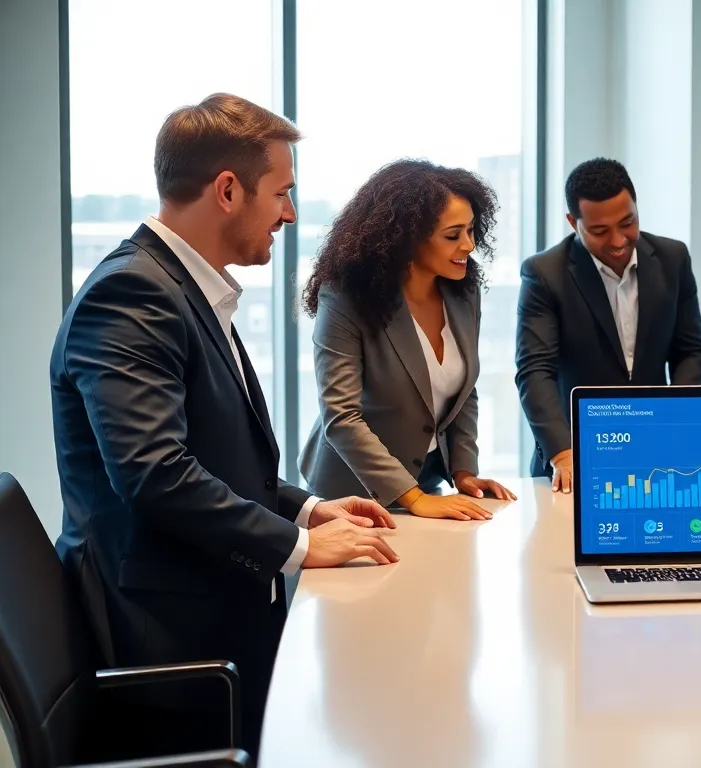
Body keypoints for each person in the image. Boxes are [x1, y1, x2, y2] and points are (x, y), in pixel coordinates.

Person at [49, 94, 398, 756]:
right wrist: (294, 550)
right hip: (172, 649)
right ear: (229, 190)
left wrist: (305, 511)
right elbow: (156, 475)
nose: (290, 214)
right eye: (282, 193)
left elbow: (213, 457)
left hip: (210, 615)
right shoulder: (132, 295)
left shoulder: (182, 289)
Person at [299, 160, 516, 520]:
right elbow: (341, 417)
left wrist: (465, 473)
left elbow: (465, 390)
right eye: (453, 235)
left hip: (427, 484)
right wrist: (414, 498)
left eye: (472, 230)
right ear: (407, 238)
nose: (469, 244)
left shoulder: (464, 291)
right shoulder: (345, 297)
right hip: (350, 495)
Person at [516, 157, 701, 490]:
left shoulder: (672, 259)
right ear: (572, 222)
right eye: (600, 231)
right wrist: (562, 452)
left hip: (658, 455)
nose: (619, 240)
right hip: (573, 456)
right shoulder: (545, 274)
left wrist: (676, 420)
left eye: (628, 222)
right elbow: (535, 369)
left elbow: (691, 351)